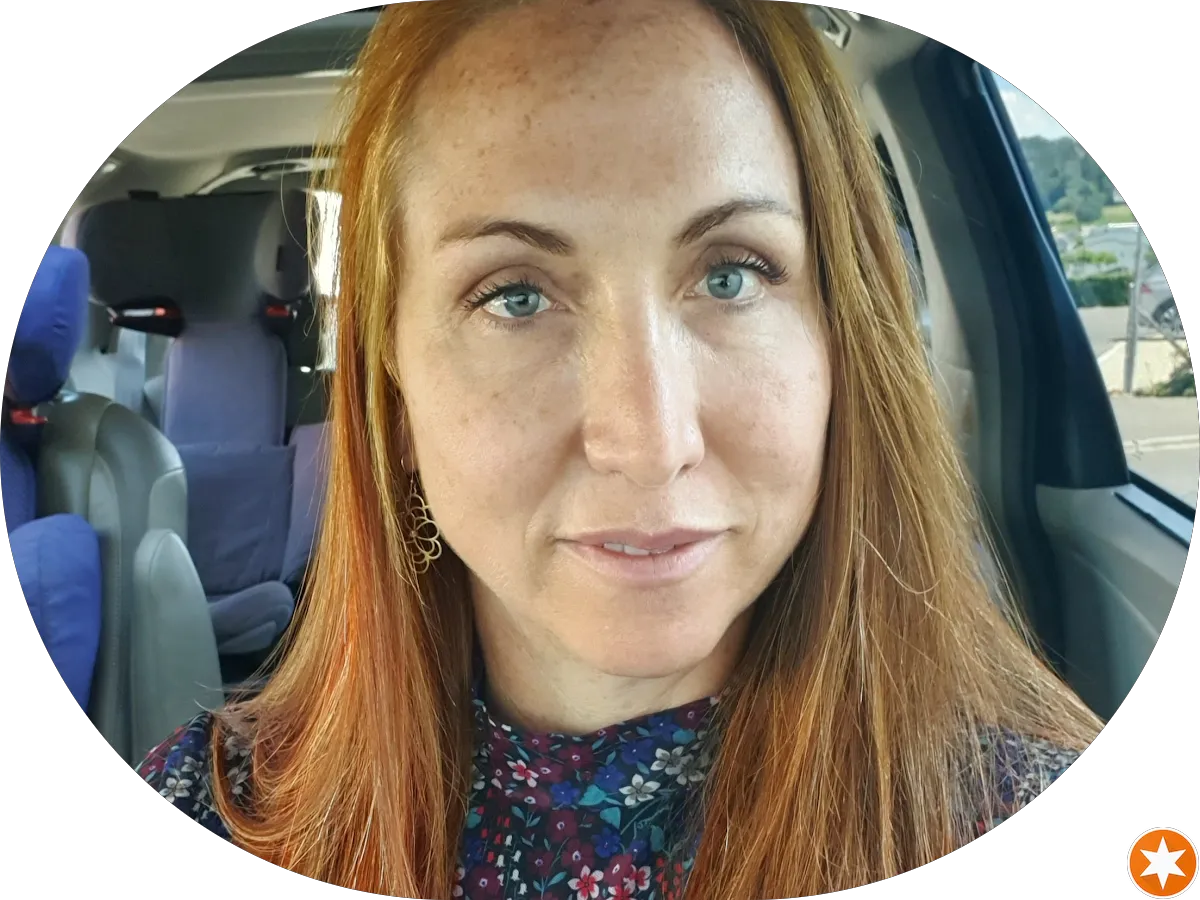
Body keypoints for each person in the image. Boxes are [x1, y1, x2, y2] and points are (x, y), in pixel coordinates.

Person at [136, 2, 1101, 897]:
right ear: (394, 401)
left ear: (840, 342)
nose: (651, 442)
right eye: (516, 296)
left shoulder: (1006, 800)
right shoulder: (214, 806)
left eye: (731, 275)